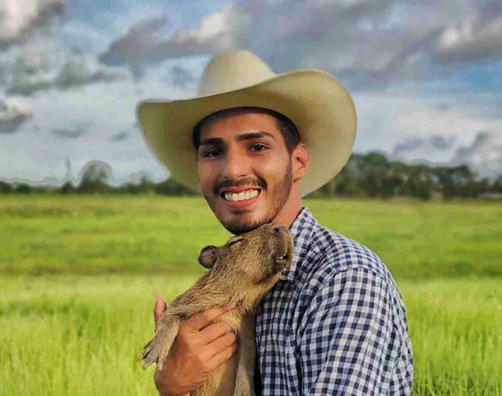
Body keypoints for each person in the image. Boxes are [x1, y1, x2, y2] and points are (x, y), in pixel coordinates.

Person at [137, 50, 414, 395]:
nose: (233, 171)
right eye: (212, 152)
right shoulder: (236, 278)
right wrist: (175, 385)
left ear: (298, 161)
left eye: (256, 146)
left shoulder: (344, 279)